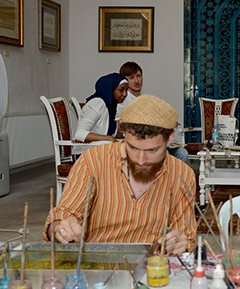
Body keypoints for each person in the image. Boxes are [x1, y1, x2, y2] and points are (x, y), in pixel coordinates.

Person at [43, 95, 197, 255]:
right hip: (98, 265)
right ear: (124, 134)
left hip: (151, 268)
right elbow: (64, 215)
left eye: (152, 150)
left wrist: (180, 243)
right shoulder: (93, 161)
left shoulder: (181, 174)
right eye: (133, 148)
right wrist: (59, 228)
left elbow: (186, 236)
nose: (141, 160)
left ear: (170, 137)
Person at [118, 61, 190, 164]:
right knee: (164, 153)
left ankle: (174, 179)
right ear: (125, 80)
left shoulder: (145, 98)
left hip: (151, 138)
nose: (136, 81)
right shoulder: (123, 99)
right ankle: (161, 179)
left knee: (182, 153)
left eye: (138, 76)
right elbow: (121, 124)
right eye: (131, 78)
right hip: (138, 141)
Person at [74, 73, 128, 143]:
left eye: (126, 90)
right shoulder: (97, 104)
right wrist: (109, 138)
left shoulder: (111, 106)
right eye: (121, 90)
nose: (125, 94)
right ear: (110, 89)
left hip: (102, 148)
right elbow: (79, 134)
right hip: (88, 151)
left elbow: (107, 132)